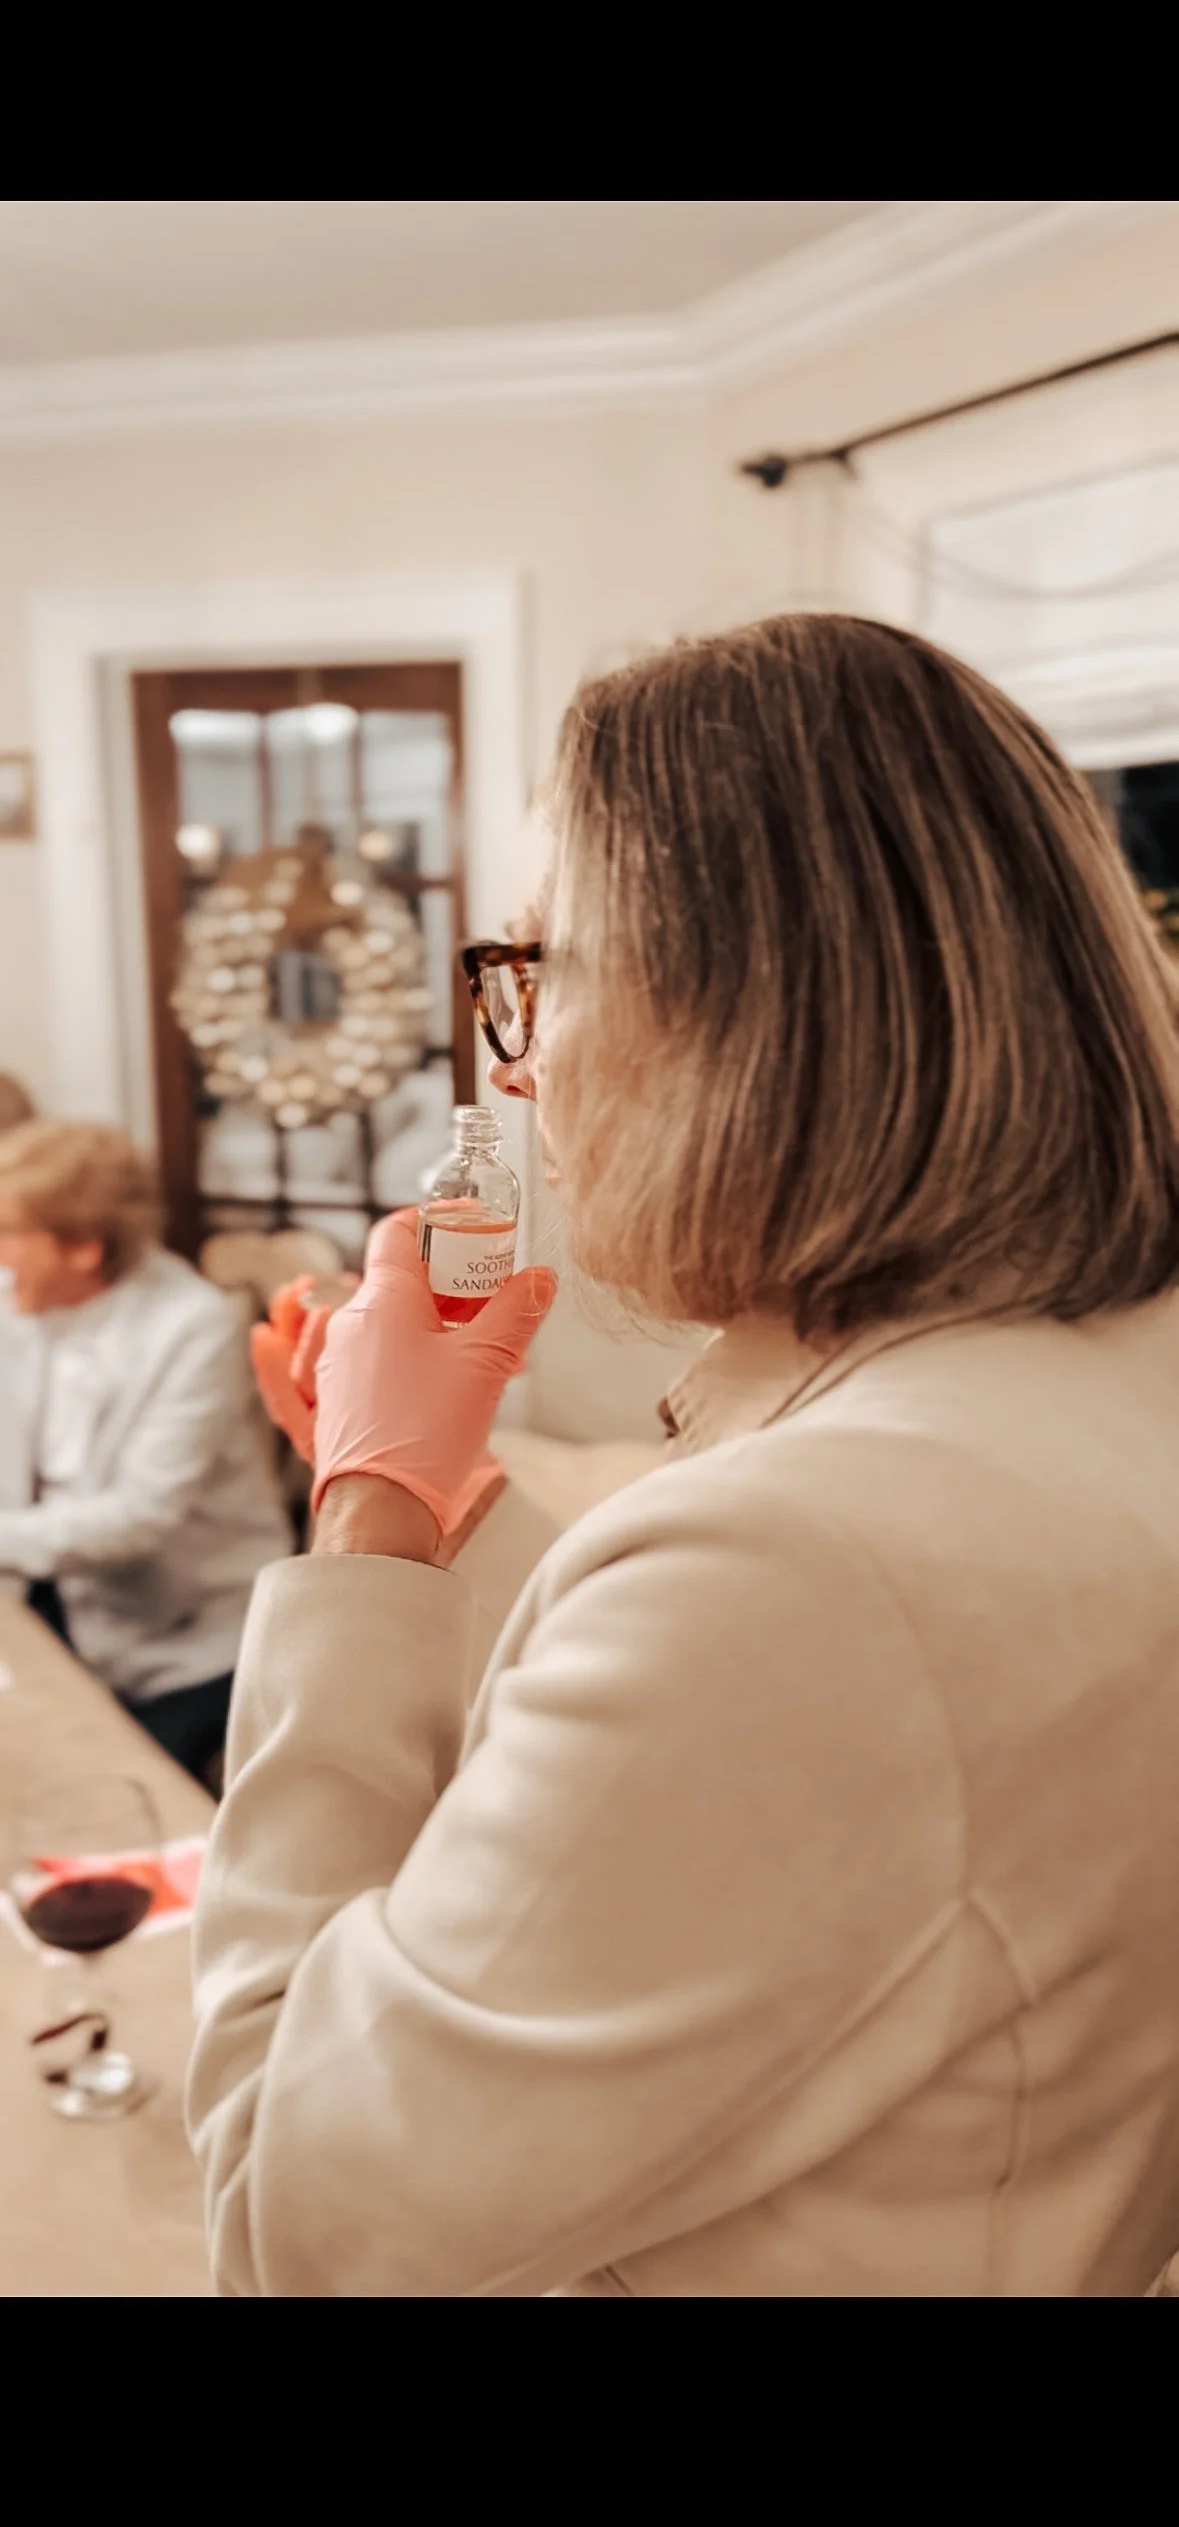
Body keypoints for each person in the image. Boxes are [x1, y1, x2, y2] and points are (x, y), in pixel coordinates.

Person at [189, 615, 1179, 2298]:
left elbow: (300, 2234)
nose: (516, 1063)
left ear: (742, 1003)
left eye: (530, 969)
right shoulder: (1090, 1382)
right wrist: (445, 1507)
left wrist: (360, 1532)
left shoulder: (809, 1565)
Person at [0, 1121, 291, 1788]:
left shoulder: (192, 1324)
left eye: (10, 1233)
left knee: (111, 1805)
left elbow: (138, 1516)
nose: (0, 1250)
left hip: (185, 1640)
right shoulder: (16, 1299)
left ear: (82, 1249)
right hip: (49, 1602)